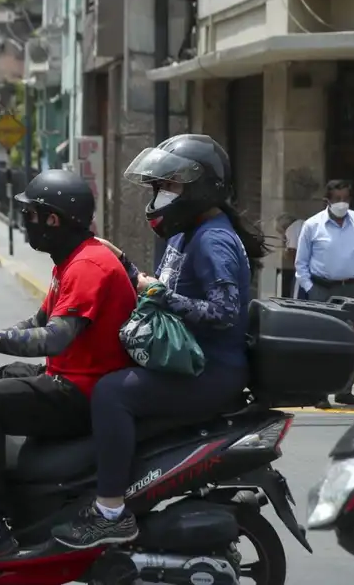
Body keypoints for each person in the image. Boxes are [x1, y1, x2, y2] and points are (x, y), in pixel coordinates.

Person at [50, 133, 269, 549]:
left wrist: (160, 295)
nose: (160, 195)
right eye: (159, 186)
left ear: (199, 187)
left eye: (169, 186)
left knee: (112, 393)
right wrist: (124, 265)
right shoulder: (186, 233)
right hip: (183, 358)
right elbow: (161, 286)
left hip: (209, 370)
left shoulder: (214, 240)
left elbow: (224, 312)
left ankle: (110, 512)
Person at [0, 169, 137, 557]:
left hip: (82, 391)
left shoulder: (89, 266)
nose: (25, 222)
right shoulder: (69, 260)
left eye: (31, 214)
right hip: (64, 374)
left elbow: (54, 337)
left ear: (53, 220)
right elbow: (38, 321)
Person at [294, 179, 354, 408]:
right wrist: (311, 289)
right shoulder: (312, 225)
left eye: (346, 198)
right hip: (321, 289)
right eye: (337, 199)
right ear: (327, 200)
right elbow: (301, 263)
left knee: (353, 340)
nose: (342, 203)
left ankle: (345, 390)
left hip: (351, 288)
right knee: (321, 341)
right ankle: (320, 392)